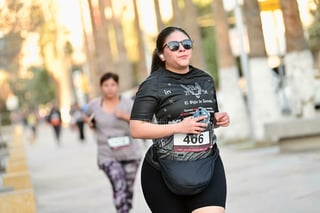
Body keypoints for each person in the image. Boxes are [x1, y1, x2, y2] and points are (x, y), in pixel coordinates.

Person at [130, 26, 230, 213]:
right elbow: (137, 129)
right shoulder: (153, 85)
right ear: (161, 54)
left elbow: (203, 120)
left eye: (186, 44)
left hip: (206, 166)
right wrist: (179, 127)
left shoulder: (205, 79)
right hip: (163, 171)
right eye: (174, 46)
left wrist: (217, 119)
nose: (182, 49)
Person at [84, 72, 142, 213]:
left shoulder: (128, 103)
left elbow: (140, 121)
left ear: (117, 86)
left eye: (113, 85)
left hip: (130, 154)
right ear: (101, 87)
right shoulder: (94, 104)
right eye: (106, 85)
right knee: (119, 185)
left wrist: (124, 116)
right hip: (107, 155)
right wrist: (91, 123)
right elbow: (86, 116)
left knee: (127, 191)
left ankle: (125, 208)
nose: (109, 88)